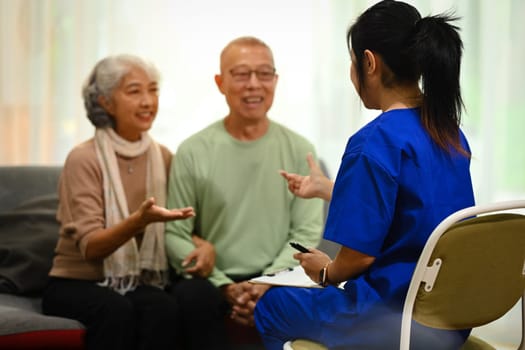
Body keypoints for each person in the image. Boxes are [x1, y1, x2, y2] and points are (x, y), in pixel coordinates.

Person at [254, 1, 475, 349]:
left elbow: (358, 258)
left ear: (368, 62)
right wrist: (330, 189)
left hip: (389, 318)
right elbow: (416, 204)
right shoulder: (448, 132)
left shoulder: (374, 141)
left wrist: (325, 271)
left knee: (270, 306)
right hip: (448, 319)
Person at [164, 36, 324, 349]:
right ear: (220, 82)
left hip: (278, 275)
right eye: (241, 74)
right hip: (212, 278)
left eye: (264, 74)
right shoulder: (193, 150)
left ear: (275, 81)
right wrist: (225, 285)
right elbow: (174, 234)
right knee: (190, 297)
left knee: (304, 298)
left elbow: (305, 232)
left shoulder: (300, 149)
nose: (254, 84)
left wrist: (264, 282)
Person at [42, 54, 199, 350]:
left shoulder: (163, 156)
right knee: (115, 310)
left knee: (163, 306)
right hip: (76, 282)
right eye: (134, 91)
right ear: (105, 101)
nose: (147, 101)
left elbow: (180, 223)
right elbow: (91, 248)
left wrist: (203, 245)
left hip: (135, 279)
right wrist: (138, 222)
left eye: (153, 90)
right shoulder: (84, 158)